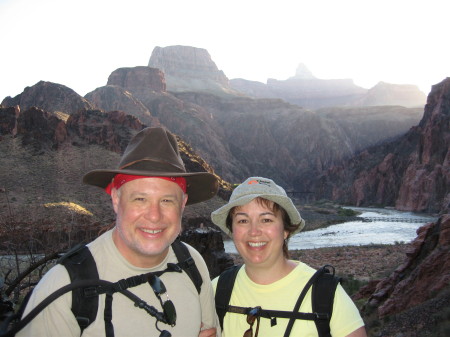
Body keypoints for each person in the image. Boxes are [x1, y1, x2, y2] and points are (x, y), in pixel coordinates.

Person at [17, 127, 220, 337]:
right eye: (140, 199)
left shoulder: (191, 262)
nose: (154, 215)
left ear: (183, 203)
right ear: (116, 199)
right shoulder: (64, 287)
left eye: (167, 200)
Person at [211, 177, 367, 337]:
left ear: (286, 230)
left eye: (266, 219)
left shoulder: (325, 295)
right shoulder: (216, 291)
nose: (254, 231)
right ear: (232, 230)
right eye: (243, 220)